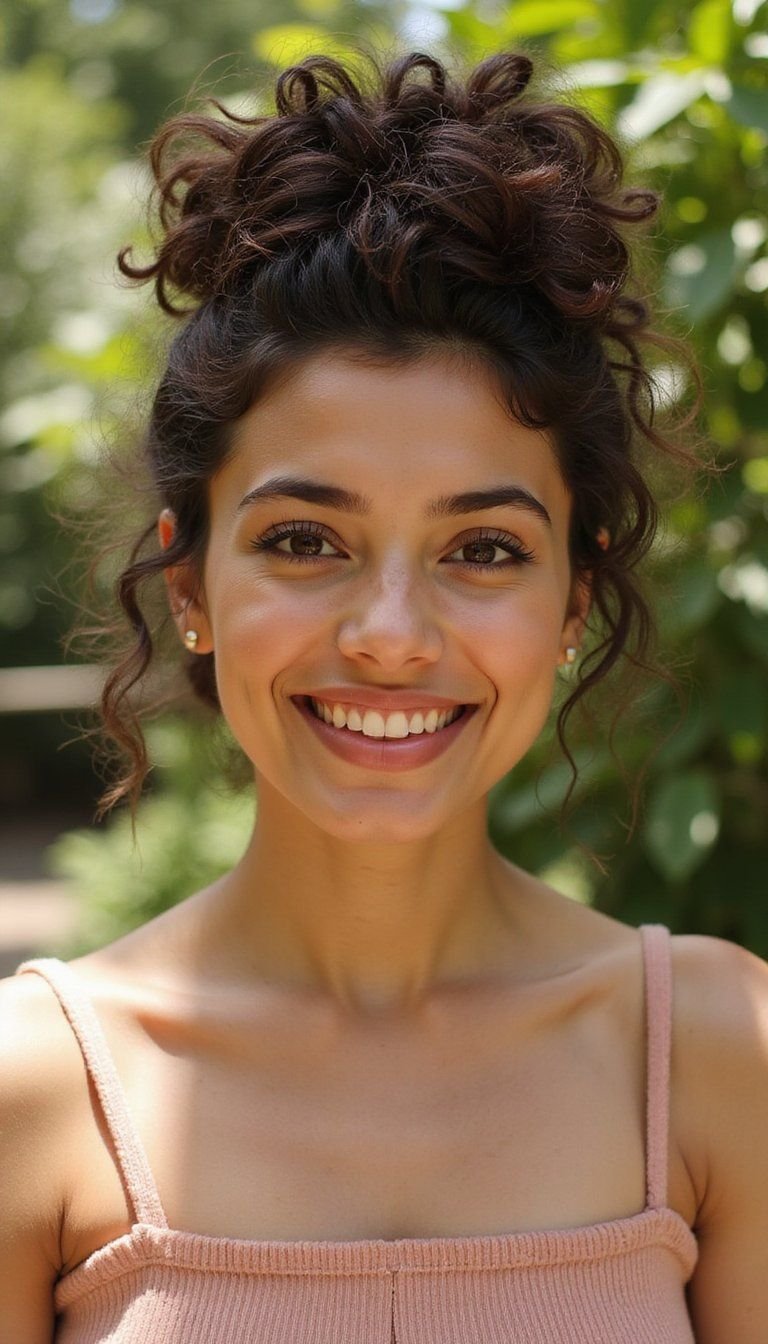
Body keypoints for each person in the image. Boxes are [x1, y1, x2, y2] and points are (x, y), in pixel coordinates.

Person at [1, 45, 766, 1344]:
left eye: (483, 550)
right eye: (306, 540)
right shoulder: (38, 1091)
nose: (394, 638)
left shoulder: (714, 1055)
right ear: (189, 582)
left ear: (572, 604)